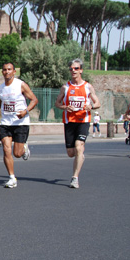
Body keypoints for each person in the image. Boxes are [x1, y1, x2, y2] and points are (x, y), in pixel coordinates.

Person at [55, 58, 101, 189]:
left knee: (79, 146)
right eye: (71, 69)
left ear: (81, 70)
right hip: (69, 121)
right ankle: (79, 157)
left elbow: (97, 103)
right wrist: (65, 107)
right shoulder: (66, 87)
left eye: (76, 68)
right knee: (71, 153)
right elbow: (57, 103)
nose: (73, 71)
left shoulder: (87, 86)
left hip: (83, 121)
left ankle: (74, 178)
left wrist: (91, 106)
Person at [0, 62, 38, 188]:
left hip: (20, 123)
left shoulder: (20, 85)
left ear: (14, 72)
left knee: (17, 154)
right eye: (4, 70)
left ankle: (24, 148)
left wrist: (25, 111)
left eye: (9, 69)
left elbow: (34, 99)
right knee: (6, 149)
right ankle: (12, 177)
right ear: (2, 72)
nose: (6, 72)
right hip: (6, 123)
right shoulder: (0, 88)